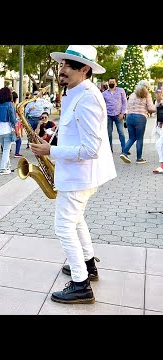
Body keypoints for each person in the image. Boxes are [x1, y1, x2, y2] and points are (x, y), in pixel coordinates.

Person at [30, 45, 117, 304]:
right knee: (76, 221)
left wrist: (51, 150)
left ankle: (81, 284)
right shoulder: (77, 93)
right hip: (78, 173)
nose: (62, 69)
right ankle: (88, 264)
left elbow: (91, 149)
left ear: (85, 70)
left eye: (69, 65)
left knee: (64, 227)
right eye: (61, 64)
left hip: (80, 174)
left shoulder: (88, 97)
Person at [119, 80, 156, 164]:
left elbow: (128, 106)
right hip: (140, 118)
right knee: (139, 138)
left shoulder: (132, 94)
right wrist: (156, 108)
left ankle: (124, 152)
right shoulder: (147, 95)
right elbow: (151, 108)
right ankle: (139, 158)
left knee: (132, 137)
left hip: (129, 117)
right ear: (147, 87)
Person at [102, 77, 127, 153]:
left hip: (118, 115)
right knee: (109, 133)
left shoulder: (121, 91)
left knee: (121, 132)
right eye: (110, 82)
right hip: (108, 115)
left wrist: (122, 113)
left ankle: (124, 149)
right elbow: (102, 104)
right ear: (108, 83)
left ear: (116, 83)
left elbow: (124, 102)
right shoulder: (104, 94)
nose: (112, 83)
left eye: (113, 82)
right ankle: (109, 149)